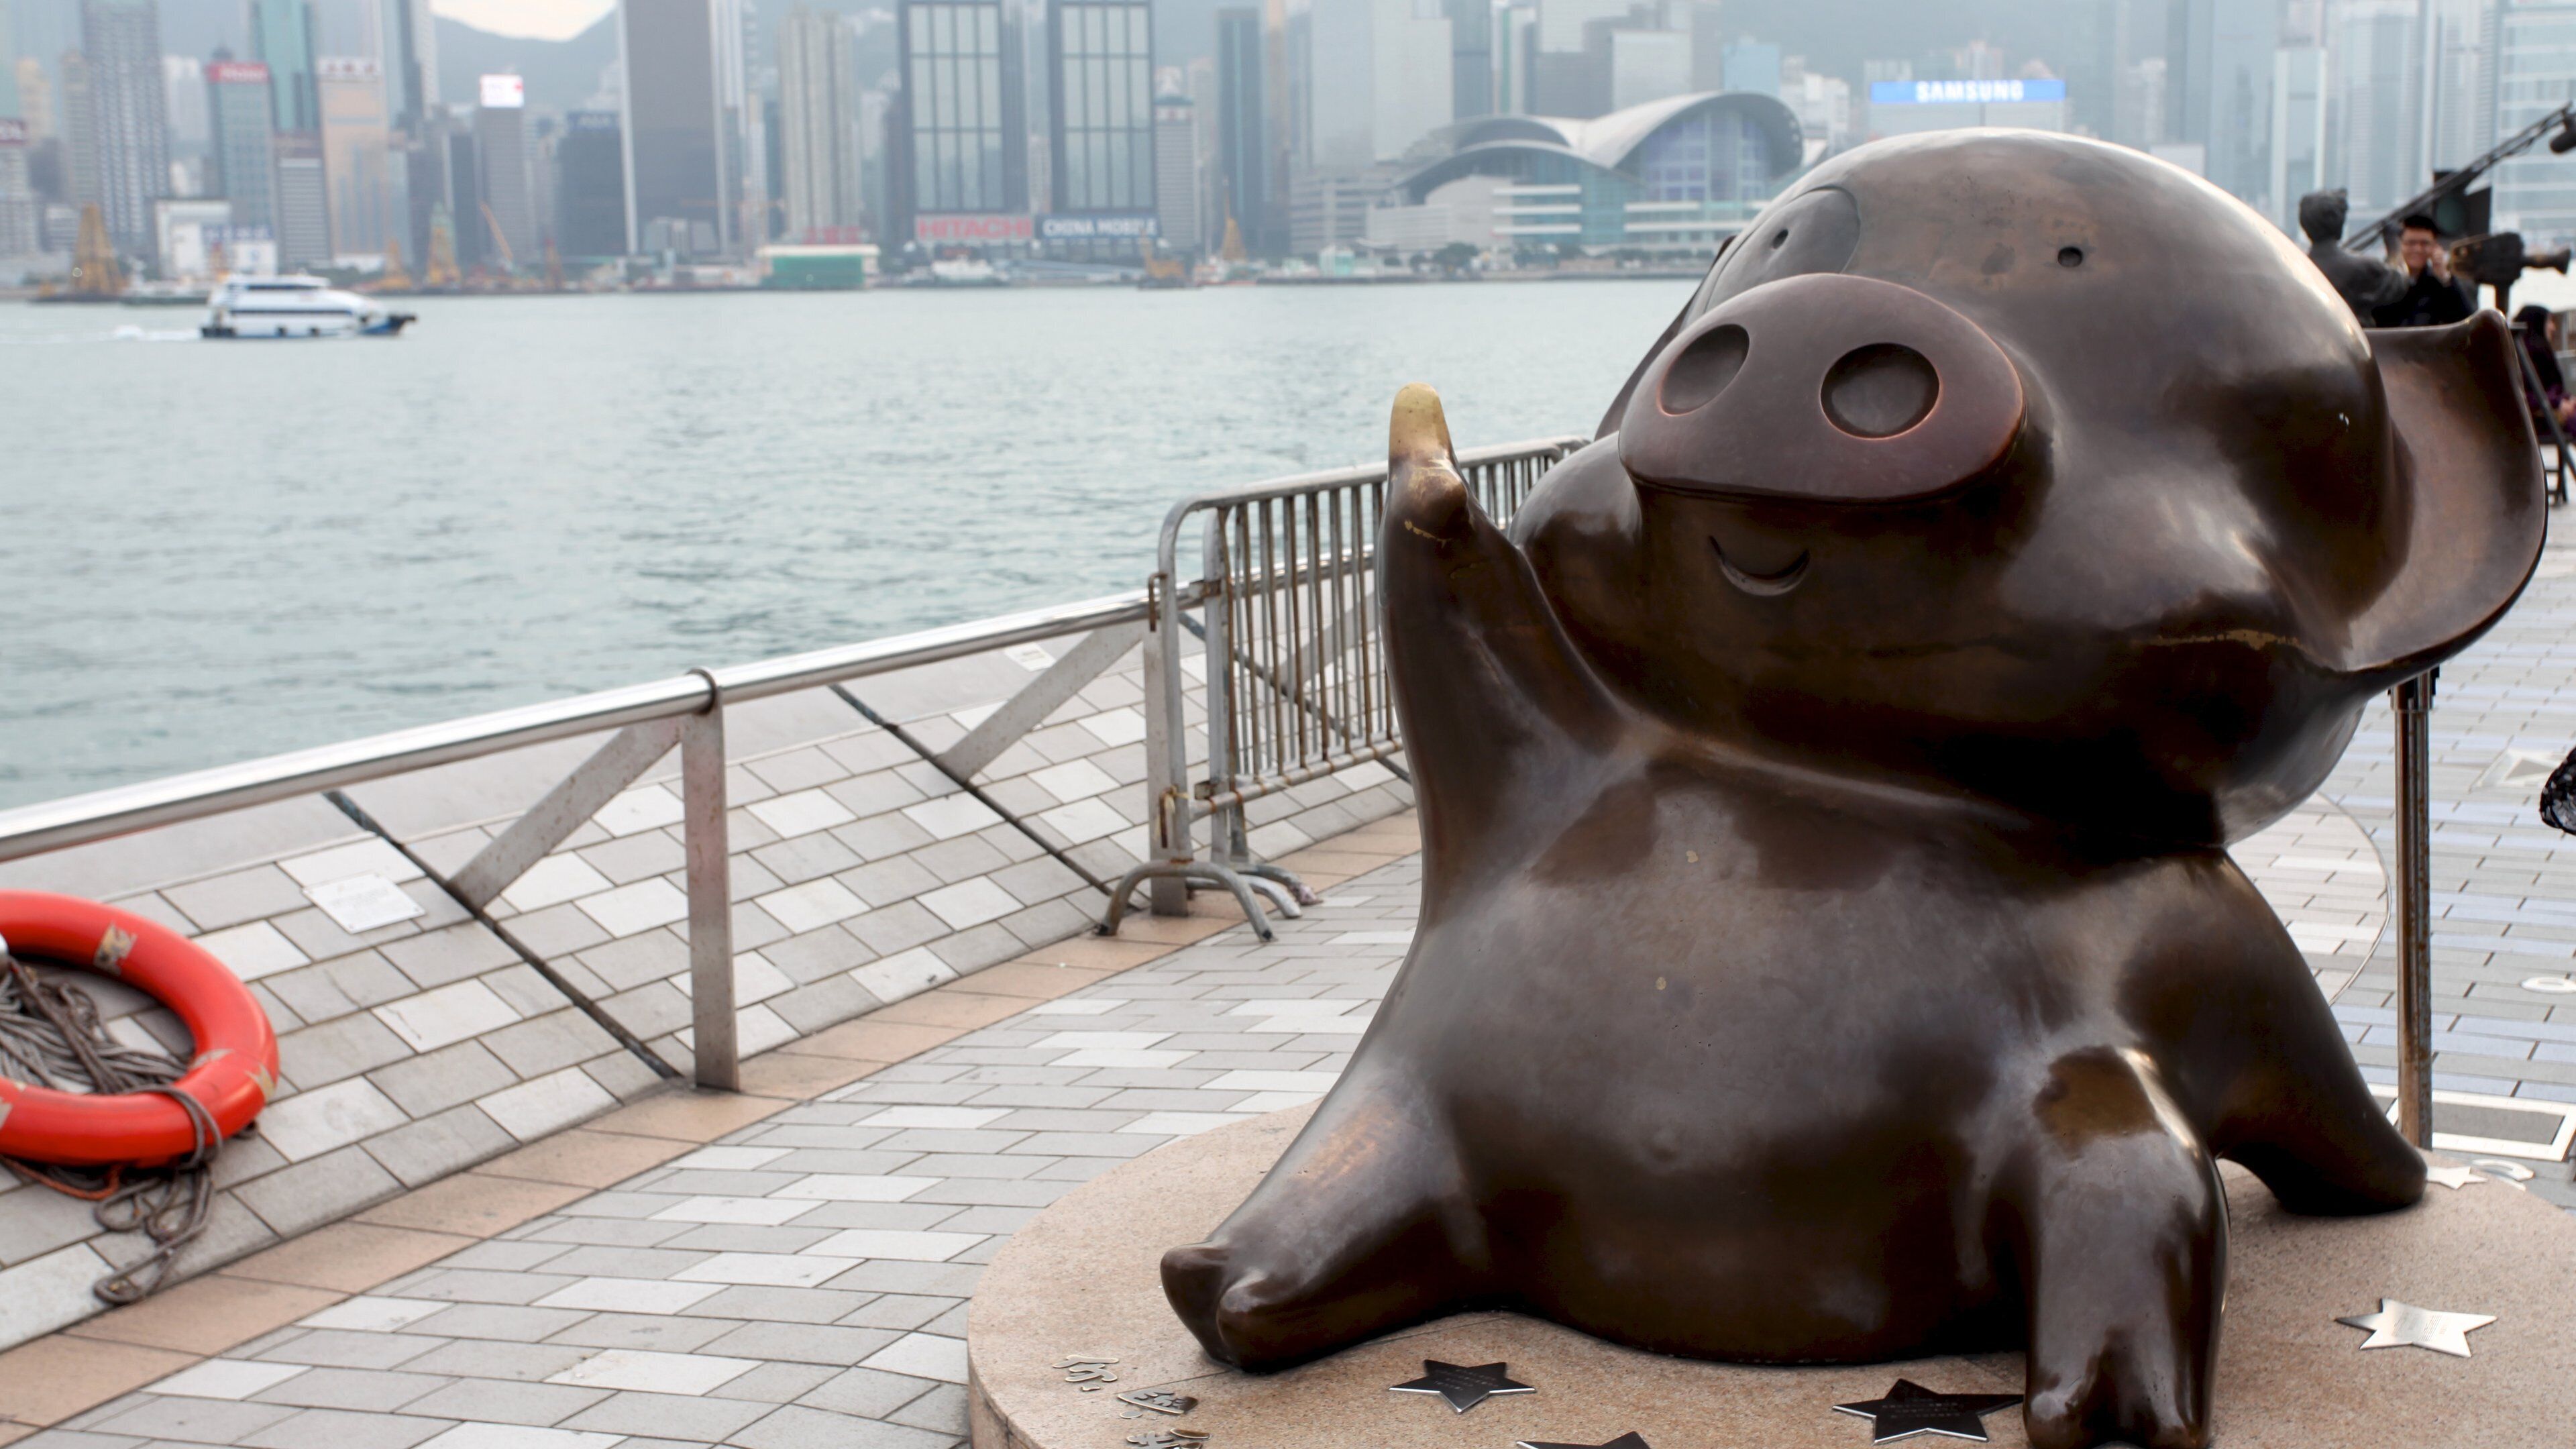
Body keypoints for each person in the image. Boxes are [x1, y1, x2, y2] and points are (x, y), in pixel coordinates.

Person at [2298, 189, 2404, 325]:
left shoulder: (2297, 269)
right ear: (2340, 221)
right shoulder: (2366, 267)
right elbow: (2399, 281)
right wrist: (2394, 244)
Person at [2372, 214, 2474, 327]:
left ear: (2435, 246)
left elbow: (2466, 322)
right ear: (2400, 244)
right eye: (2411, 243)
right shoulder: (2382, 279)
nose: (2418, 249)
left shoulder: (2439, 285)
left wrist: (2444, 278)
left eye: (2425, 244)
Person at [2515, 303, 2575, 431]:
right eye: (2549, 322)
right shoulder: (2521, 359)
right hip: (2535, 420)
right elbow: (2521, 396)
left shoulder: (2541, 355)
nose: (2553, 328)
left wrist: (2566, 400)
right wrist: (2558, 403)